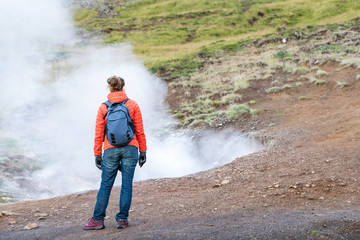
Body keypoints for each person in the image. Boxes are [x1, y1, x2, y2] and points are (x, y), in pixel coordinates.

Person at [84, 76, 147, 230]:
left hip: (110, 150)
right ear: (123, 87)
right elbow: (139, 130)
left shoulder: (103, 107)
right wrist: (143, 150)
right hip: (130, 148)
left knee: (105, 185)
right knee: (126, 185)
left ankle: (98, 220)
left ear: (109, 88)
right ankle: (122, 219)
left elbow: (99, 133)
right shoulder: (132, 105)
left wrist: (97, 154)